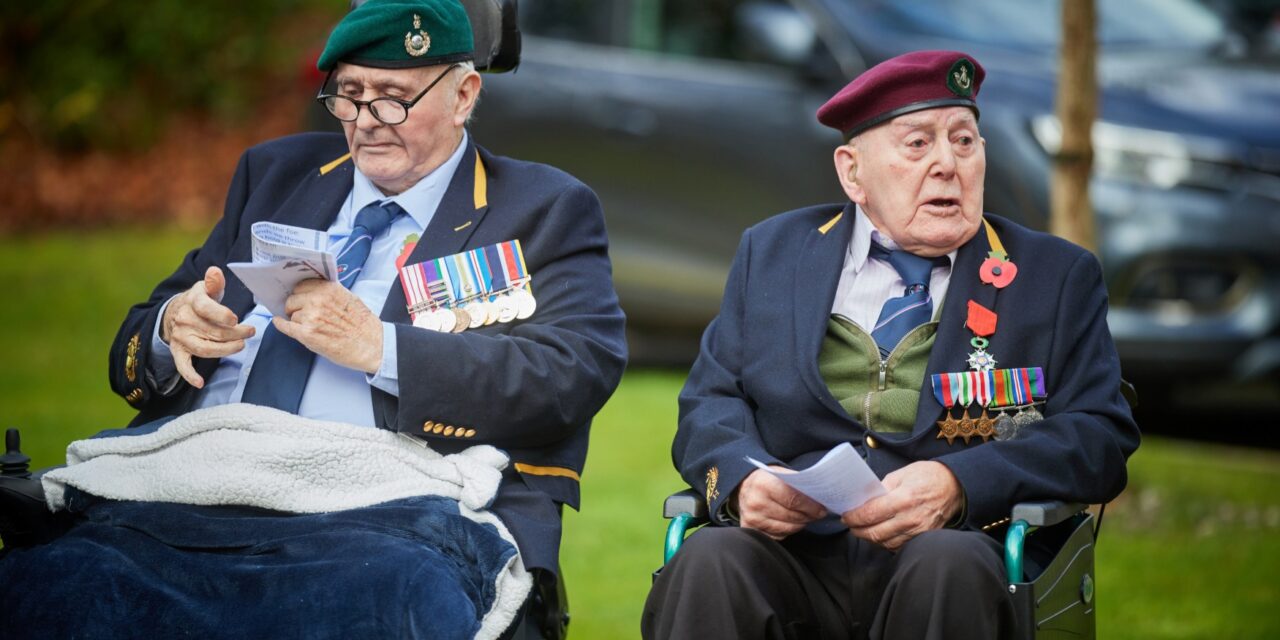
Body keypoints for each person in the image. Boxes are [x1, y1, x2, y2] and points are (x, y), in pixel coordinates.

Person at [0, 1, 625, 637]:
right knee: (48, 587)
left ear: (464, 95)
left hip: (384, 513)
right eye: (349, 95)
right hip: (190, 491)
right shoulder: (275, 175)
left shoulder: (539, 209)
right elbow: (130, 357)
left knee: (384, 605)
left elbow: (572, 371)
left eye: (392, 98)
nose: (366, 122)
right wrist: (170, 329)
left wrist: (380, 347)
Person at [641, 50, 1139, 640]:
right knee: (710, 560)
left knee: (946, 565)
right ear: (853, 173)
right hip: (796, 559)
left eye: (964, 140)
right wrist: (745, 481)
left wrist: (962, 484)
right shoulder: (773, 253)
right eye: (917, 144)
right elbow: (709, 403)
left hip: (956, 552)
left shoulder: (1053, 277)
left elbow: (1100, 433)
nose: (947, 165)